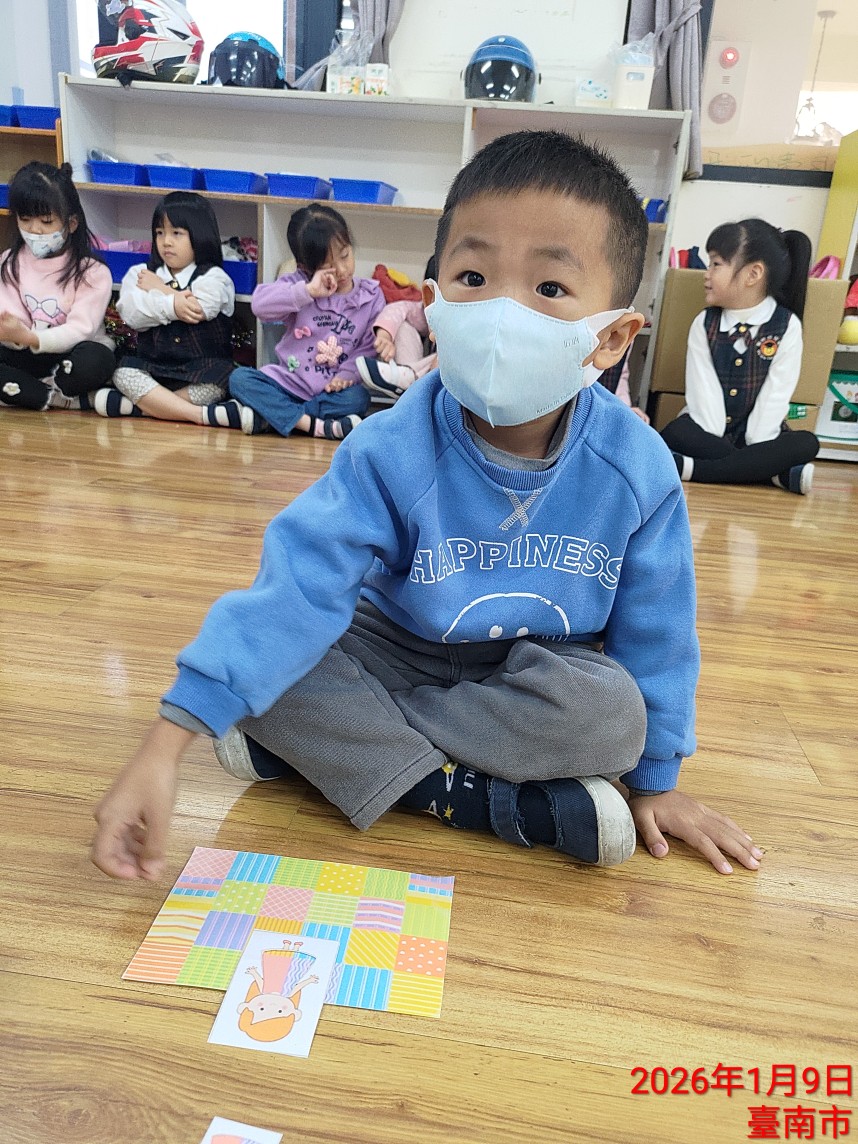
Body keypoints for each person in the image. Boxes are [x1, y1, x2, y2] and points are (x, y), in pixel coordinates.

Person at [92, 130, 763, 882]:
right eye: (474, 275)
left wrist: (656, 783)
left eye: (549, 288)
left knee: (612, 716)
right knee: (274, 663)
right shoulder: (389, 445)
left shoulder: (635, 466)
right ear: (433, 299)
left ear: (611, 338)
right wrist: (164, 747)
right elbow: (299, 585)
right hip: (395, 645)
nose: (502, 311)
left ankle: (347, 755)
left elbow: (659, 632)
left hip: (537, 668)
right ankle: (465, 795)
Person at [660, 219, 817, 494]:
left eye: (716, 264)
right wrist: (731, 445)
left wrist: (757, 440)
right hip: (707, 430)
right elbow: (703, 392)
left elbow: (776, 394)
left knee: (807, 443)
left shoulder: (786, 325)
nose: (706, 274)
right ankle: (773, 474)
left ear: (753, 274)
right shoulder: (704, 323)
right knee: (675, 433)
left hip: (761, 432)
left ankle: (690, 469)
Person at [96, 191, 264, 432]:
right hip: (154, 368)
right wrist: (174, 305)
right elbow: (132, 315)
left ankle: (143, 407)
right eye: (159, 233)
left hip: (202, 370)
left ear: (199, 235)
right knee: (123, 373)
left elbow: (198, 309)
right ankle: (200, 415)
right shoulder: (140, 273)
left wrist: (160, 289)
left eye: (176, 233)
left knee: (219, 383)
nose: (166, 242)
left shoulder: (214, 277)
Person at [228, 204, 384, 440]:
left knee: (359, 399)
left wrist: (346, 375)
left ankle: (273, 417)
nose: (342, 270)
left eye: (345, 255)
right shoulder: (299, 285)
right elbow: (259, 306)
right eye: (328, 267)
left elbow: (367, 348)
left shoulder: (370, 296)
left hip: (330, 391)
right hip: (287, 383)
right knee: (240, 379)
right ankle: (312, 425)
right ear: (305, 267)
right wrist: (308, 291)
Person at [0, 162, 115, 412]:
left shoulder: (92, 271)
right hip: (25, 352)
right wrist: (16, 334)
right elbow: (10, 322)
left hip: (71, 354)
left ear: (71, 223)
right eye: (25, 219)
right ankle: (58, 398)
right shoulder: (9, 262)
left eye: (46, 221)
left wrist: (32, 337)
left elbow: (80, 330)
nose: (34, 229)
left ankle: (26, 392)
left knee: (97, 360)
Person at [356, 257, 439, 400]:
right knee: (403, 324)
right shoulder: (426, 309)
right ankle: (406, 373)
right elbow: (398, 309)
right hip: (417, 371)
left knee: (452, 353)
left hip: (444, 377)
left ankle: (412, 377)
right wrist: (385, 337)